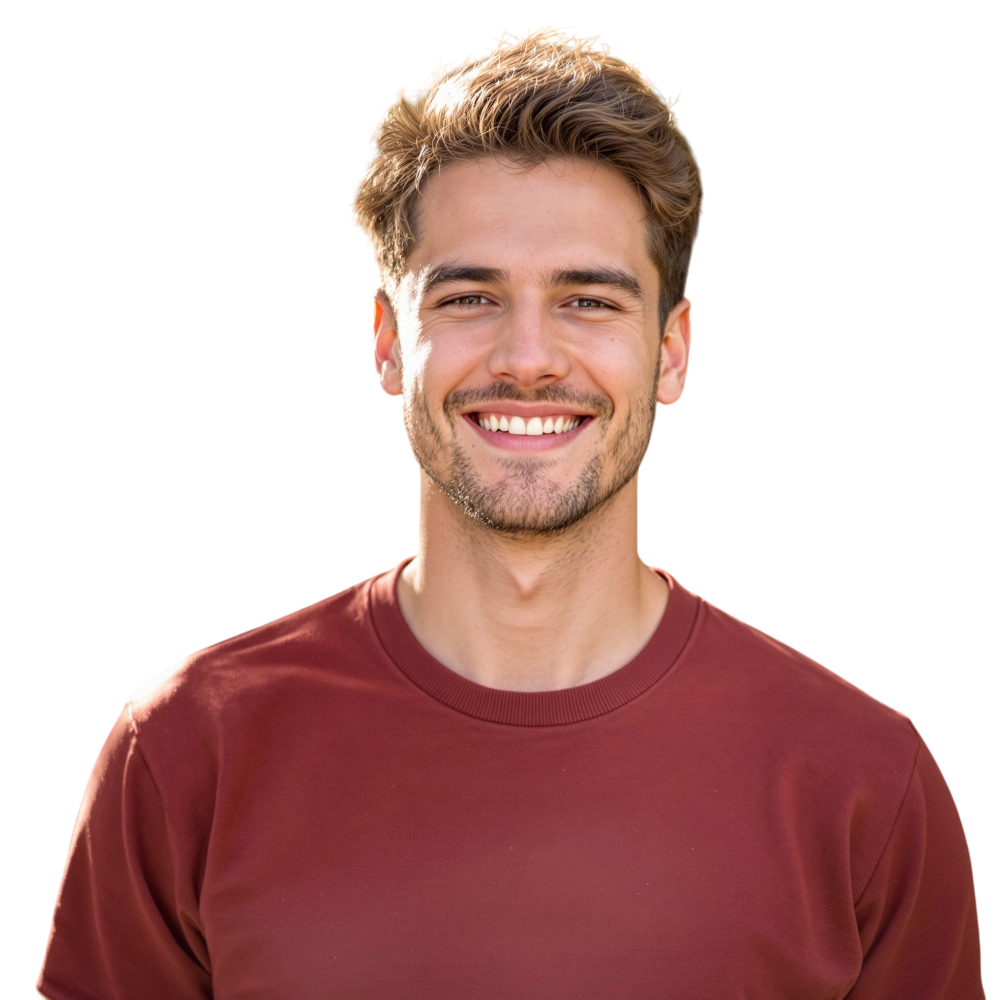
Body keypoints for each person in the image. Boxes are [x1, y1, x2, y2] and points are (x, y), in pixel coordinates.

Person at [36, 26, 985, 999]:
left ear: (672, 352)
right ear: (387, 343)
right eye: (470, 297)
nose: (527, 357)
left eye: (587, 301)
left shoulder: (863, 784)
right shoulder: (188, 753)